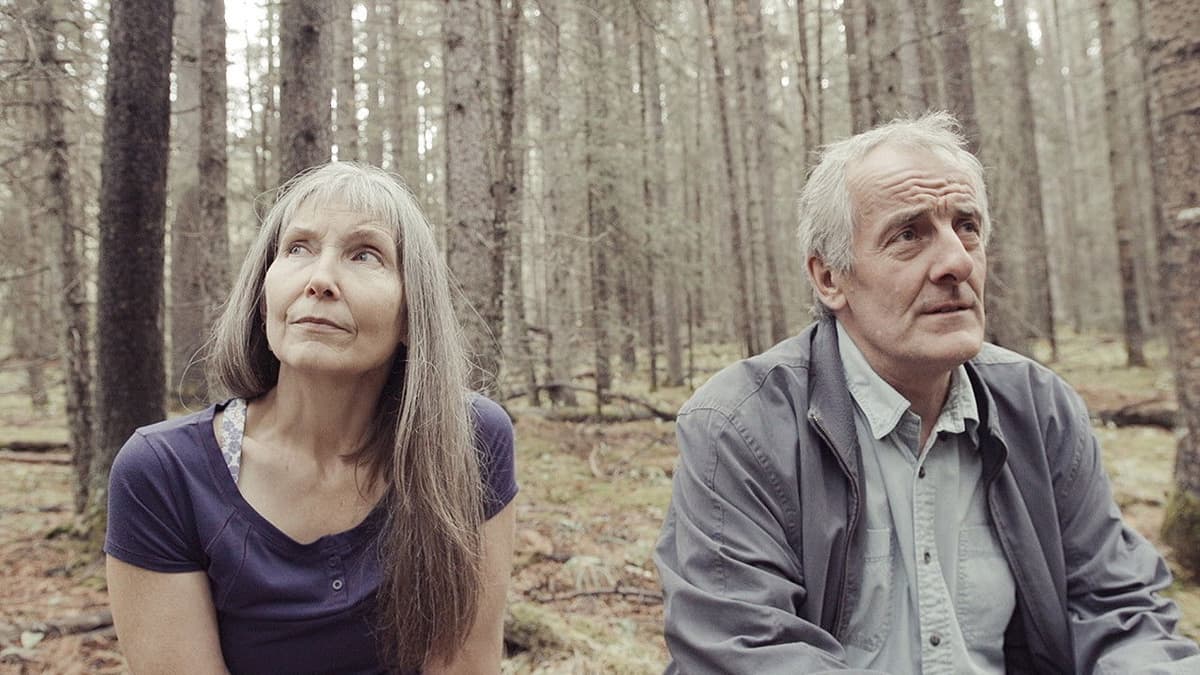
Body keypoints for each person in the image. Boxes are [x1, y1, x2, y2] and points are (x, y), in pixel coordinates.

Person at [654, 112, 1200, 674]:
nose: (957, 261)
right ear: (830, 278)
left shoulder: (1039, 409)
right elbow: (747, 650)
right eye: (909, 235)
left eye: (967, 227)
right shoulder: (741, 427)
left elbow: (1119, 611)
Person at [105, 162, 518, 674]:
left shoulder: (469, 440)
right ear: (264, 299)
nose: (320, 280)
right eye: (297, 248)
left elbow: (465, 664)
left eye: (364, 254)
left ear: (412, 315)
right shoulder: (164, 473)